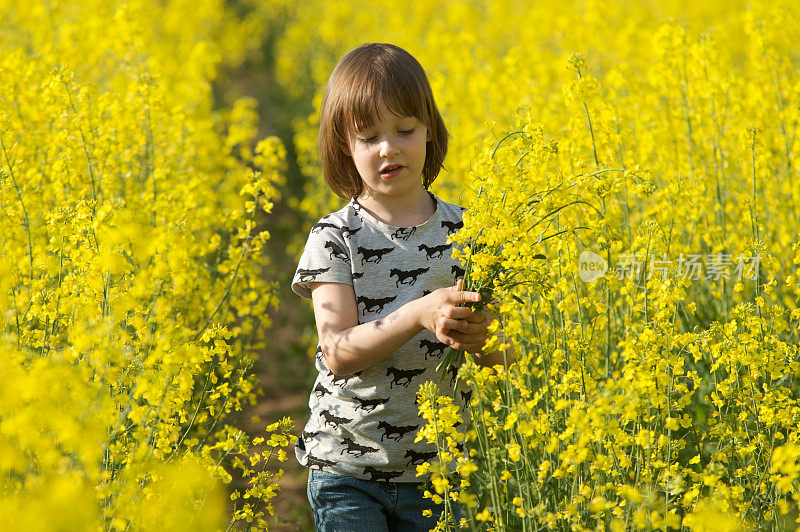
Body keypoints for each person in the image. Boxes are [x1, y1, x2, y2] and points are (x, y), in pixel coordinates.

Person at [291, 42, 506, 532]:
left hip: (439, 470)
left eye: (405, 130)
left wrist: (483, 338)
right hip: (346, 469)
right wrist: (418, 312)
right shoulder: (333, 239)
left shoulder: (469, 235)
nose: (389, 147)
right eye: (368, 137)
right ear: (344, 147)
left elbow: (502, 357)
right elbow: (340, 351)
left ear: (429, 130)